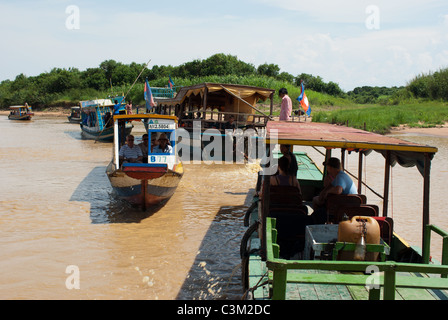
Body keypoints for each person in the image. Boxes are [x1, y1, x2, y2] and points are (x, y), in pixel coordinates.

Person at [312, 157, 357, 222]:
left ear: (330, 167)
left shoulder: (340, 177)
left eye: (327, 167)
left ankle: (318, 222)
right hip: (347, 206)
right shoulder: (339, 176)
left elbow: (338, 190)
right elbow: (328, 186)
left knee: (316, 201)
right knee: (317, 199)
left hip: (344, 209)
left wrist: (327, 192)